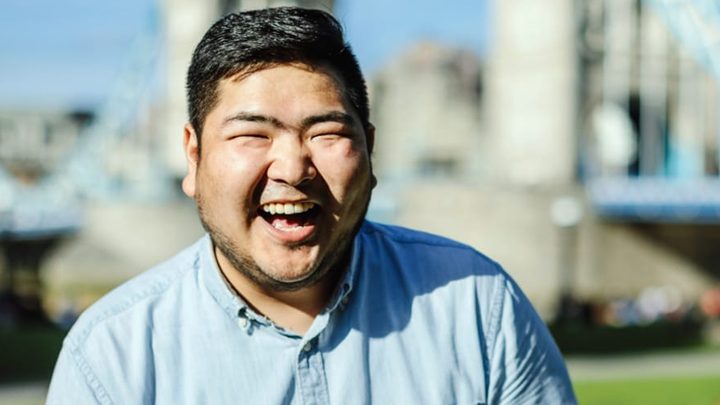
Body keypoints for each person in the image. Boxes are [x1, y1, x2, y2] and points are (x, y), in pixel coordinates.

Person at [47, 7, 576, 404]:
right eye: (252, 134)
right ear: (194, 156)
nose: (293, 168)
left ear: (371, 149)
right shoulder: (111, 356)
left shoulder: (478, 307)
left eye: (326, 132)